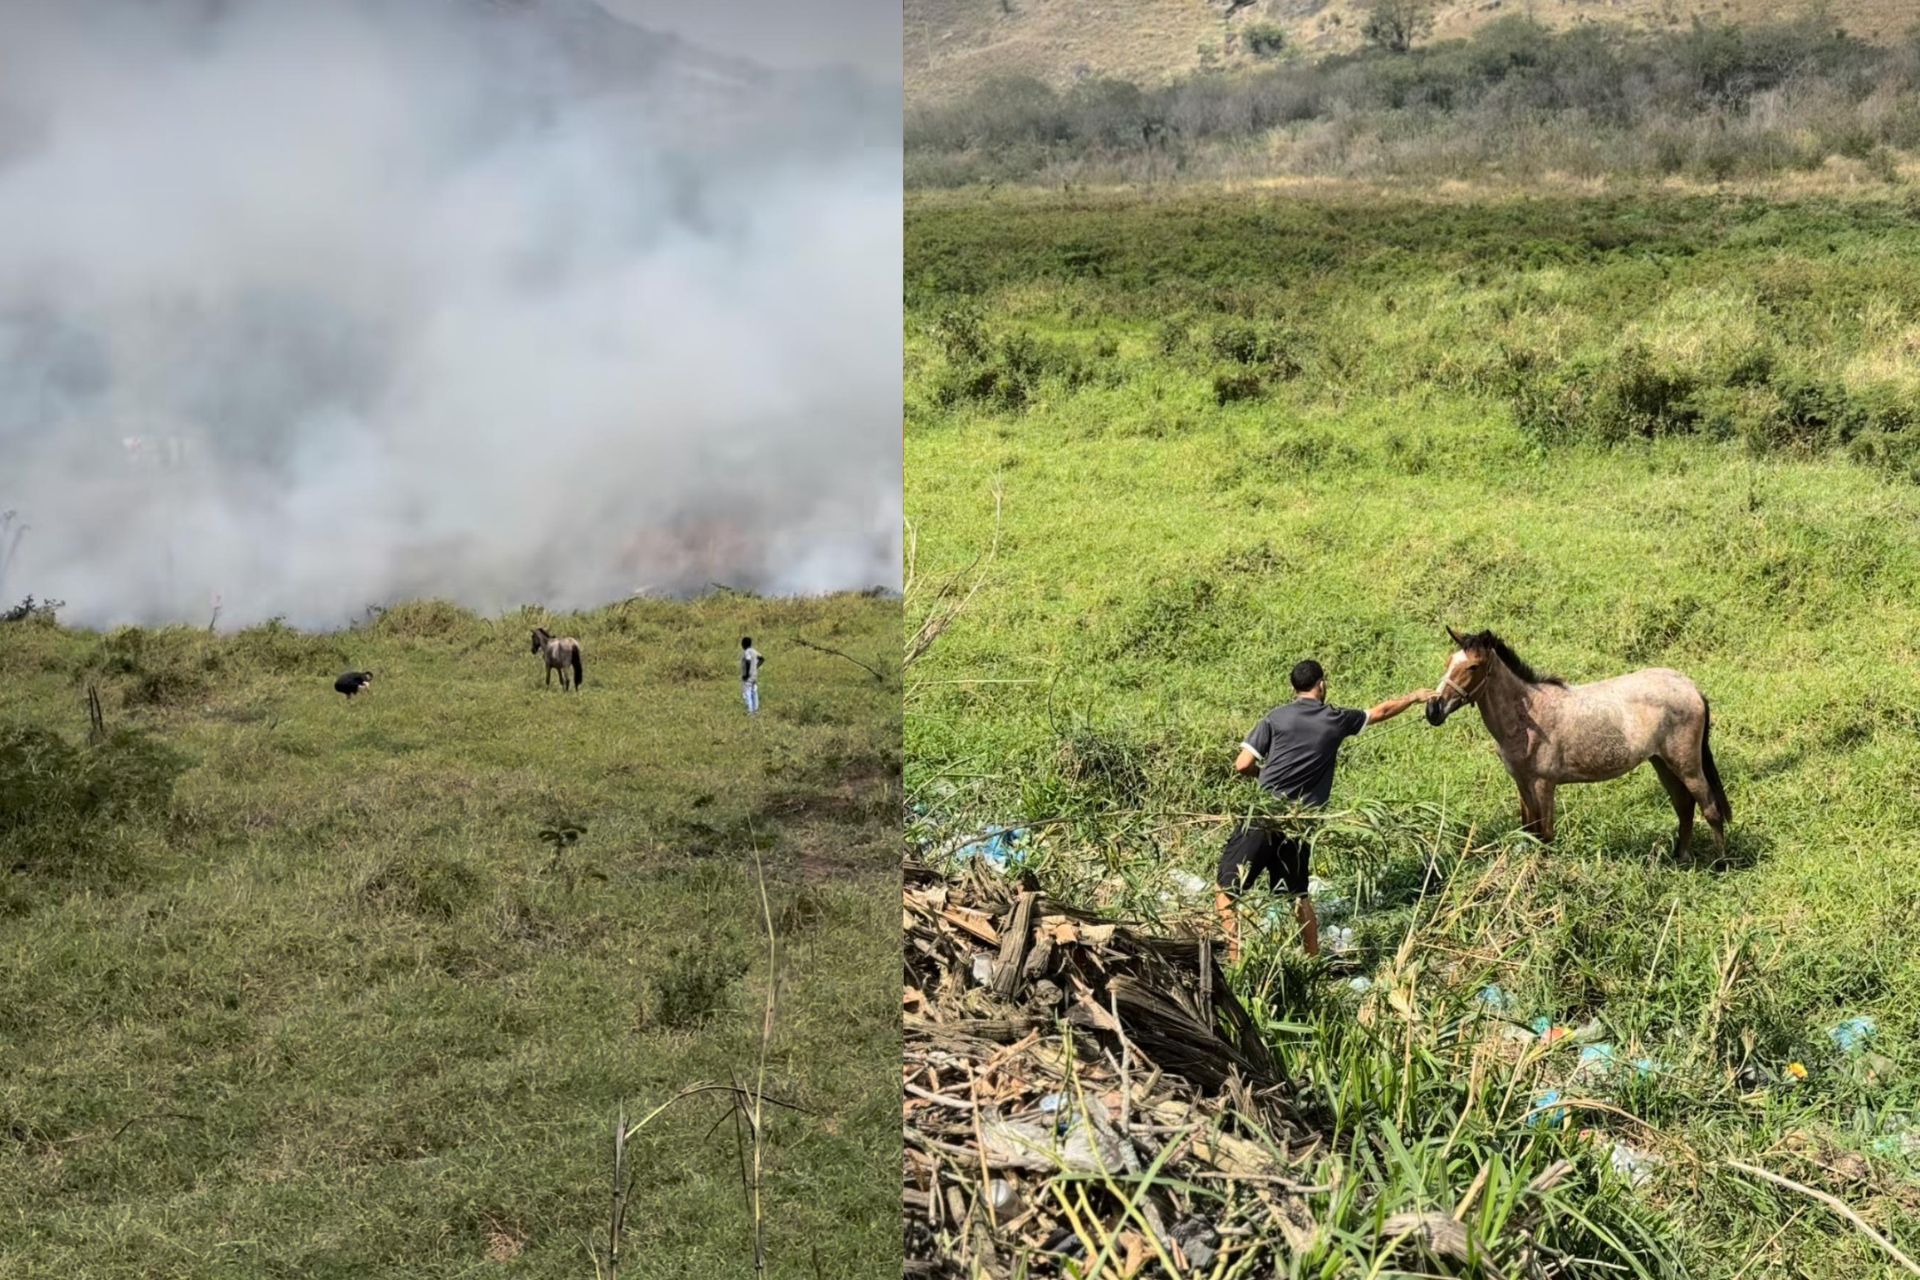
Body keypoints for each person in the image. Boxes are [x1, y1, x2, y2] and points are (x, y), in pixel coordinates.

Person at [1218, 659, 1431, 960]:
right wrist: (1414, 697)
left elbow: (1242, 764)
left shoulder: (1275, 718)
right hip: (1300, 823)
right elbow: (1380, 712)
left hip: (1263, 816)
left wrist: (1263, 775)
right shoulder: (1335, 718)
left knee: (1227, 890)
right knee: (1298, 896)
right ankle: (1312, 962)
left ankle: (1235, 961)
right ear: (1321, 684)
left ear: (1294, 688)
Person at [740, 636, 764, 715]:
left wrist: (746, 674)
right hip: (754, 675)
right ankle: (756, 711)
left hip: (748, 676)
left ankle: (750, 712)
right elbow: (762, 658)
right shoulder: (754, 651)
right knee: (754, 692)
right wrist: (756, 666)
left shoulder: (747, 652)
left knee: (747, 693)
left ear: (744, 644)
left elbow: (748, 661)